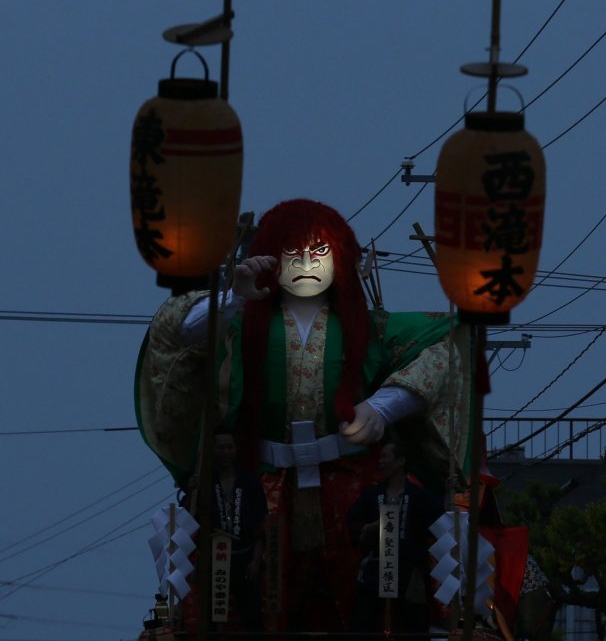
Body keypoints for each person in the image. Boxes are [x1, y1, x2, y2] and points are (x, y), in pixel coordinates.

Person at [135, 198, 473, 633]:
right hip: (265, 484)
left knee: (369, 596)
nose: (308, 265)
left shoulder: (369, 328)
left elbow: (446, 346)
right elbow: (179, 332)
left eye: (320, 253)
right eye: (294, 254)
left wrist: (385, 405)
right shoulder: (239, 323)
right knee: (255, 598)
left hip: (350, 478)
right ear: (270, 259)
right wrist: (234, 298)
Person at [346, 441, 443, 637]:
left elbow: (440, 521)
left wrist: (450, 493)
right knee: (362, 626)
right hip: (375, 570)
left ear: (400, 461)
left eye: (385, 457)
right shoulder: (372, 494)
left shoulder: (419, 495)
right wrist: (372, 527)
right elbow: (352, 525)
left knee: (416, 628)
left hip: (409, 573)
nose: (380, 462)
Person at [182, 426, 267, 632]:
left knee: (252, 617)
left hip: (244, 558)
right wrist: (192, 490)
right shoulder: (204, 483)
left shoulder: (249, 482)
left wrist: (256, 561)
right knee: (210, 617)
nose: (226, 452)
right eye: (221, 447)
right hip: (214, 560)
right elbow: (187, 519)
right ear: (212, 450)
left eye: (230, 447)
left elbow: (260, 525)